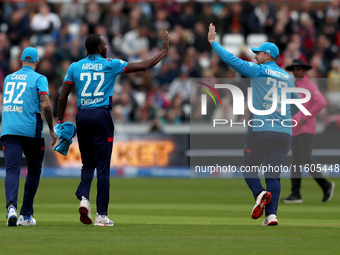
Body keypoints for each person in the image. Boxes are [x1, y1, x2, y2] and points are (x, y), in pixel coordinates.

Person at [57, 32, 169, 227]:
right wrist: (164, 51)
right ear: (100, 48)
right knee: (103, 169)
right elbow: (144, 65)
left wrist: (59, 120)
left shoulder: (75, 66)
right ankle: (101, 215)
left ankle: (84, 199)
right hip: (101, 116)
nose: (106, 46)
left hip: (82, 116)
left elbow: (62, 95)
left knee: (87, 164)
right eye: (104, 44)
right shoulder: (110, 64)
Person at [208, 23, 299, 226]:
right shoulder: (288, 77)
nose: (255, 56)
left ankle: (259, 194)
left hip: (261, 129)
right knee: (273, 175)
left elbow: (233, 61)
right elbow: (297, 107)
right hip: (285, 133)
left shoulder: (259, 70)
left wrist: (214, 44)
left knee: (249, 167)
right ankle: (271, 216)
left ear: (268, 55)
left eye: (258, 53)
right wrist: (284, 118)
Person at [1, 47, 57, 226]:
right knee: (34, 169)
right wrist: (52, 129)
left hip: (8, 128)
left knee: (12, 170)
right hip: (30, 129)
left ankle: (11, 207)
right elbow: (46, 105)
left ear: (20, 60)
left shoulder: (9, 78)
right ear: (37, 62)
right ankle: (25, 215)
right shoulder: (39, 78)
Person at [282, 59, 335, 203]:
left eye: (298, 69)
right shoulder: (292, 85)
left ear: (304, 70)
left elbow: (321, 102)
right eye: (294, 69)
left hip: (306, 129)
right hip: (295, 129)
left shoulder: (309, 85)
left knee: (305, 159)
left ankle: (326, 185)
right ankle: (296, 194)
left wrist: (305, 117)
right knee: (296, 162)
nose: (296, 71)